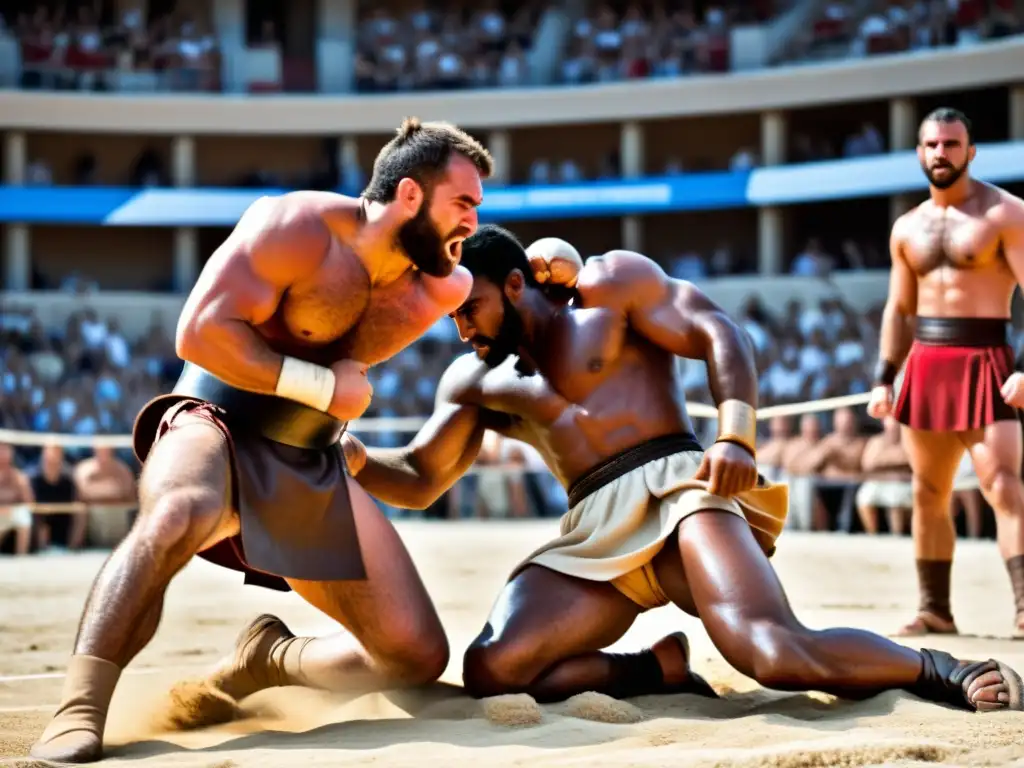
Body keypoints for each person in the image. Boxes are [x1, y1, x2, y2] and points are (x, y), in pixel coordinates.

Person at [344, 225, 1023, 713]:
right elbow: (421, 474)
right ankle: (655, 669)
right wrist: (356, 460)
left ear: (515, 283)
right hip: (591, 534)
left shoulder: (608, 289)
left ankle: (941, 667)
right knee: (496, 669)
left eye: (471, 310)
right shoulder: (476, 382)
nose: (462, 330)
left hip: (680, 489)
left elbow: (715, 329)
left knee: (772, 652)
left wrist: (736, 437)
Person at [30, 118, 500, 764]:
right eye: (464, 204)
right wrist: (318, 386)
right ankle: (79, 707)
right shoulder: (297, 228)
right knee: (178, 513)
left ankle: (269, 658)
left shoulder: (444, 282)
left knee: (413, 653)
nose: (472, 222)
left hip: (308, 455)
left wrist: (560, 266)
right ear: (412, 196)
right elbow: (197, 333)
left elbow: (515, 276)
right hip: (217, 417)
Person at [868, 107, 1024, 637]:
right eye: (932, 144)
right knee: (926, 491)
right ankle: (935, 609)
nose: (941, 153)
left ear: (971, 151)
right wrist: (883, 376)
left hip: (988, 358)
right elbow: (897, 308)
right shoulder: (906, 226)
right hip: (926, 361)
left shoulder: (1005, 213)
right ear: (919, 152)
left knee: (1002, 485)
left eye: (952, 144)